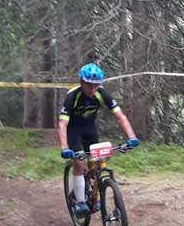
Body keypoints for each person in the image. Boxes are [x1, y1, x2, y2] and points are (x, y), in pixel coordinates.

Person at [58, 63, 139, 216]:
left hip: (90, 130)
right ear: (82, 83)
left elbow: (120, 117)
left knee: (96, 164)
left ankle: (92, 193)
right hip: (73, 130)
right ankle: (80, 202)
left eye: (96, 85)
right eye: (89, 85)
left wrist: (131, 137)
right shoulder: (72, 96)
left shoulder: (102, 94)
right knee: (80, 162)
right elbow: (62, 124)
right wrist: (64, 147)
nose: (92, 89)